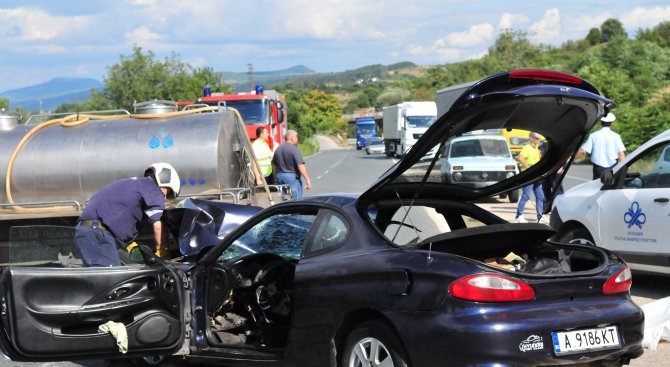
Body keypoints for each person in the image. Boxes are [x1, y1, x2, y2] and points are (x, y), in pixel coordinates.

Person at [74, 162, 181, 266]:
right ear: (164, 181)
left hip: (86, 232)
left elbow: (114, 215)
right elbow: (158, 224)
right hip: (99, 235)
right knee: (112, 280)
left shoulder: (131, 184)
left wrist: (128, 244)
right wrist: (163, 253)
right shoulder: (154, 189)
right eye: (169, 193)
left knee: (102, 280)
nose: (165, 198)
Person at [575, 112, 626, 180]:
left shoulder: (593, 135)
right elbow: (621, 154)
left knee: (597, 187)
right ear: (611, 123)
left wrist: (570, 160)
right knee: (611, 187)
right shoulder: (616, 136)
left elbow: (583, 152)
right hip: (612, 167)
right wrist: (624, 168)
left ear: (601, 122)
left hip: (598, 168)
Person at [515, 132, 546, 224]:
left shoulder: (537, 149)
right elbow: (520, 158)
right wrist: (529, 169)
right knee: (526, 196)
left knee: (540, 196)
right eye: (536, 138)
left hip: (537, 176)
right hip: (529, 176)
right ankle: (519, 216)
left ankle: (539, 217)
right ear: (531, 138)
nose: (538, 140)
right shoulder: (527, 148)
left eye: (539, 138)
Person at [272, 130, 312, 199]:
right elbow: (300, 165)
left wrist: (275, 177)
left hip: (280, 176)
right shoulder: (294, 149)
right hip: (291, 177)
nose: (297, 139)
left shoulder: (278, 149)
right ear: (292, 138)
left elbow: (274, 165)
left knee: (284, 200)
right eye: (296, 137)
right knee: (296, 199)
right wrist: (307, 179)